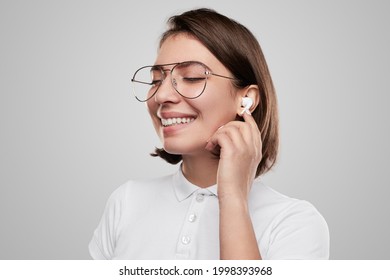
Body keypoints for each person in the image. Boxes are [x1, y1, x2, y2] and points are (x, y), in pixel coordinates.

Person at [89, 8, 329, 260]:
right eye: (156, 80)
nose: (161, 96)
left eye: (191, 77)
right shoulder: (126, 202)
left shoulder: (294, 223)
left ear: (246, 99)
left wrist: (233, 198)